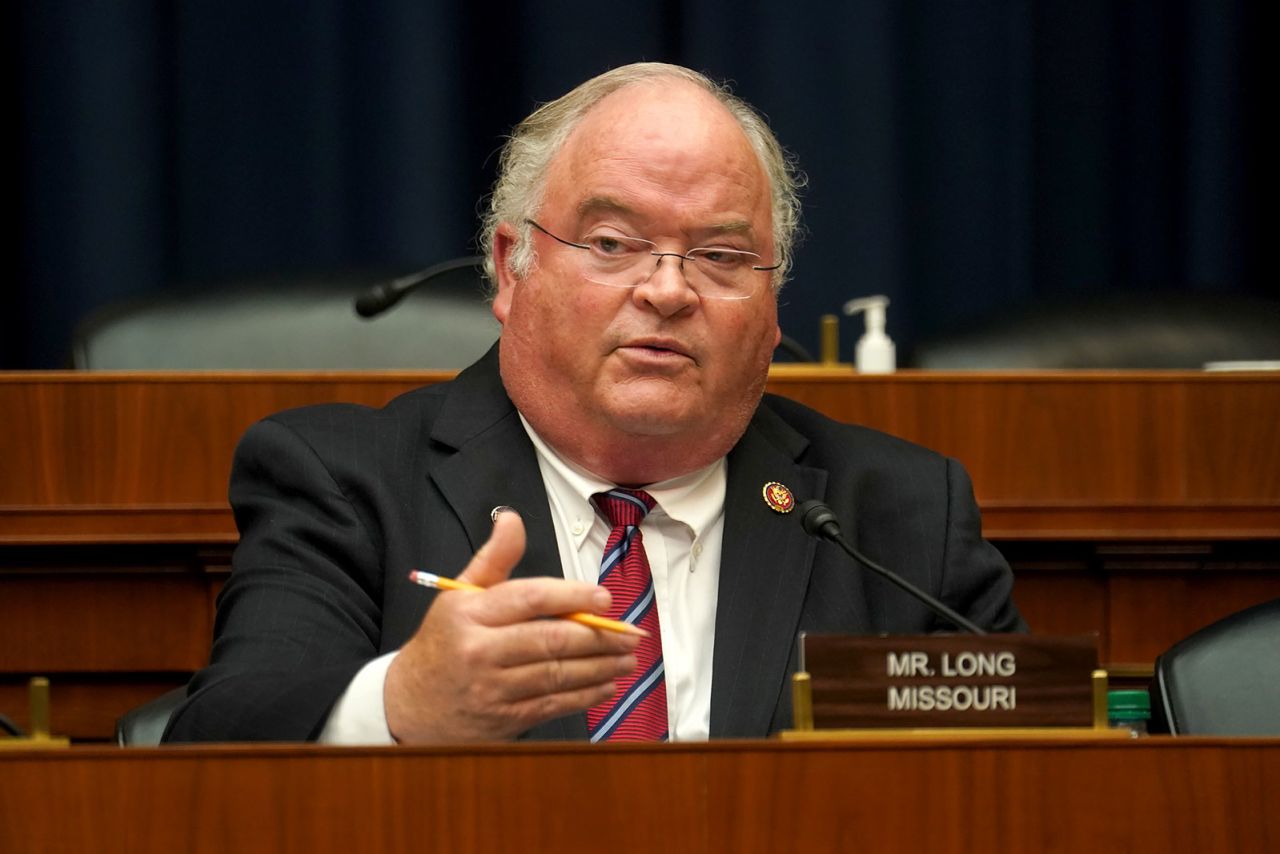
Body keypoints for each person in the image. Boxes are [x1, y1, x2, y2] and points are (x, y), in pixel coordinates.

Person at [164, 62, 1023, 745]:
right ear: (509, 267)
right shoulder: (348, 485)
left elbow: (1037, 771)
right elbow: (218, 743)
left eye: (722, 255)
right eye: (613, 243)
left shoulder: (898, 517)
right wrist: (402, 705)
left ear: (772, 308)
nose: (668, 289)